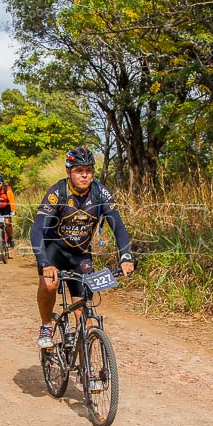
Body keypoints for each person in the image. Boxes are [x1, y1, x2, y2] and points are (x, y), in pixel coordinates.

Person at [30, 147, 134, 350]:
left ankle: (85, 374)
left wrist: (126, 256)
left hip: (81, 256)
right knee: (49, 284)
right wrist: (44, 263)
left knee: (84, 319)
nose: (84, 174)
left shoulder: (99, 192)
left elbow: (118, 226)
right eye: (79, 170)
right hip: (54, 252)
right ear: (69, 171)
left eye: (88, 170)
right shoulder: (57, 192)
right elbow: (36, 231)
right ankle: (46, 325)